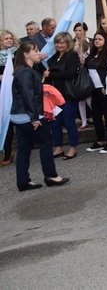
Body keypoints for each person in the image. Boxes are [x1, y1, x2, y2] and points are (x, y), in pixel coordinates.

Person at [10, 42, 70, 191]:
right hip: (28, 115)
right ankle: (51, 176)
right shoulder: (25, 72)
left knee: (24, 148)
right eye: (35, 51)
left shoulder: (25, 69)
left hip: (20, 115)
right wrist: (34, 117)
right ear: (25, 54)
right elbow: (27, 95)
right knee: (46, 142)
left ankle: (23, 181)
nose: (38, 53)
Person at [43, 31, 80, 160]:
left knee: (69, 122)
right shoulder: (54, 57)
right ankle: (58, 148)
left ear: (68, 43)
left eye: (62, 42)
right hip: (53, 97)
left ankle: (73, 148)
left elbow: (70, 74)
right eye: (57, 42)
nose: (59, 45)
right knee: (55, 123)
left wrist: (50, 75)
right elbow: (47, 73)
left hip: (67, 95)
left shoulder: (72, 56)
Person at [85, 32, 107, 153]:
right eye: (95, 39)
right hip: (94, 90)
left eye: (100, 39)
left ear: (105, 40)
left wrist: (106, 86)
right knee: (96, 116)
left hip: (104, 89)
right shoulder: (92, 54)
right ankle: (100, 140)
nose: (97, 41)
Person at [1, 30, 19, 165]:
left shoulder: (16, 54)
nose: (9, 40)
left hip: (14, 91)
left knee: (13, 122)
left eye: (10, 38)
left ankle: (10, 152)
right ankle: (5, 152)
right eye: (6, 39)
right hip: (1, 92)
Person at [73, 22, 92, 129]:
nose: (77, 32)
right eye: (76, 30)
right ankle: (83, 121)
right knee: (80, 101)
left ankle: (95, 116)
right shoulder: (73, 55)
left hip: (86, 78)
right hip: (77, 79)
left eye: (80, 30)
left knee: (89, 100)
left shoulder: (87, 51)